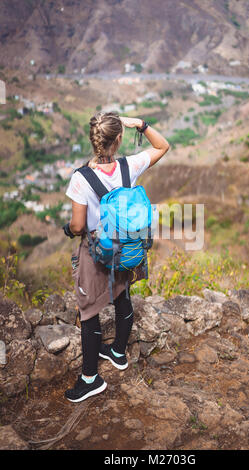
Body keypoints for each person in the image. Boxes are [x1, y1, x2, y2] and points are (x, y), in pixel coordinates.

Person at [63, 112, 170, 402]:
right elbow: (163, 146)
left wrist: (69, 230)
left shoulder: (81, 178)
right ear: (119, 140)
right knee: (122, 297)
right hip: (127, 248)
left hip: (98, 253)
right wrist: (142, 124)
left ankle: (90, 379)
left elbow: (77, 225)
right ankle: (119, 353)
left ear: (93, 140)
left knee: (88, 312)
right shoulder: (129, 166)